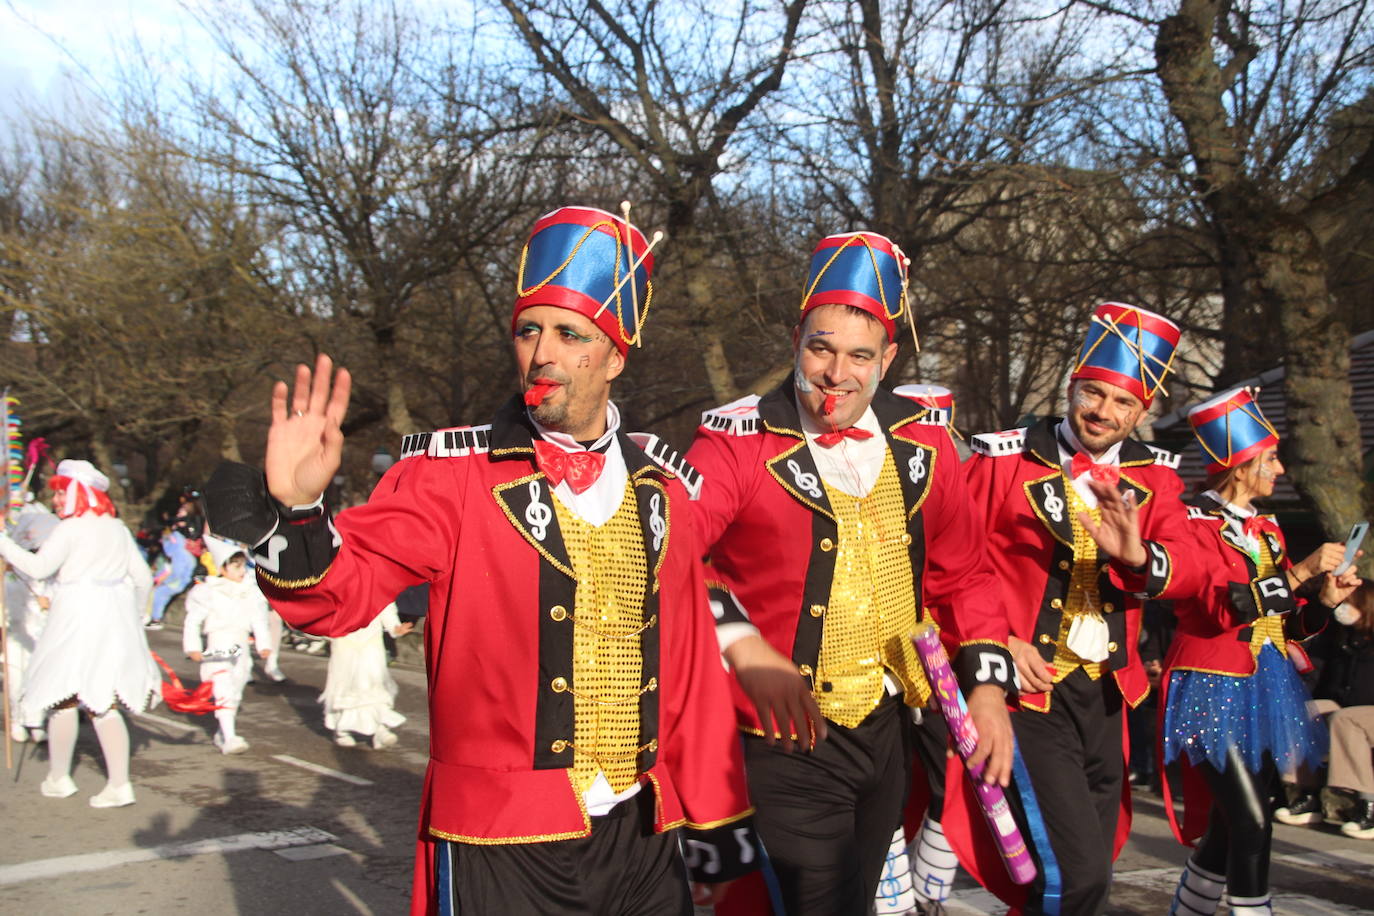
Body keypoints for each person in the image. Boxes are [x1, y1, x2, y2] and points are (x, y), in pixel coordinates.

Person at [203, 205, 756, 915]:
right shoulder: (451, 475)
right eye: (529, 330)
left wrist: (717, 822)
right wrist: (301, 516)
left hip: (644, 834)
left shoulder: (666, 488)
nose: (543, 353)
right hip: (503, 837)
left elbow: (687, 671)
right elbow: (336, 597)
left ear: (616, 355)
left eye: (570, 334)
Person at [684, 232, 1015, 915]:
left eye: (860, 355)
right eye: (821, 347)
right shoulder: (736, 441)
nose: (837, 373)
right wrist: (741, 643)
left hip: (887, 731)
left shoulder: (925, 444)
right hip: (782, 741)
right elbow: (665, 551)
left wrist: (987, 688)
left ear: (888, 357)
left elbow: (966, 577)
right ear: (795, 338)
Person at [955, 302, 1203, 915]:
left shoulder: (1158, 479)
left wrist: (1140, 555)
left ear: (1142, 411)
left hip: (1109, 697)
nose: (1103, 413)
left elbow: (1196, 567)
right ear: (1072, 386)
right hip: (1028, 694)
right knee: (1076, 875)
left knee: (1086, 866)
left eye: (1123, 404)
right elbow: (947, 564)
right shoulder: (1002, 460)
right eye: (1093, 393)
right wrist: (999, 645)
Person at [1162, 386, 1362, 915]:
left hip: (1264, 683)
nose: (1279, 470)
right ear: (1241, 464)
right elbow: (1223, 607)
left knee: (1237, 824)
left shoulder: (1267, 530)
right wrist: (1299, 571)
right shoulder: (1191, 523)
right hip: (1209, 682)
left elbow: (1288, 626)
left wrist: (1321, 597)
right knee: (1250, 820)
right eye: (1270, 459)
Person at [0, 459, 159, 807]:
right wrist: (133, 616)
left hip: (75, 616)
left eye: (61, 492)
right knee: (97, 698)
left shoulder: (70, 530)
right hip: (112, 618)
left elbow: (39, 568)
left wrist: (2, 541)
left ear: (80, 493)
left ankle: (69, 779)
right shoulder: (117, 528)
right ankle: (100, 781)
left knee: (67, 696)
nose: (56, 500)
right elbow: (144, 579)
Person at [182, 535, 274, 755]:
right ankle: (230, 735)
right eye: (236, 567)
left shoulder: (250, 590)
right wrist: (192, 646)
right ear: (222, 569)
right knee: (222, 685)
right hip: (219, 644)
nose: (241, 571)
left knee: (237, 685)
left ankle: (224, 730)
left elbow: (258, 619)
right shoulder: (209, 592)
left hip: (240, 644)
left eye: (242, 566)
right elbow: (193, 620)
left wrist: (263, 643)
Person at [320, 599, 413, 749]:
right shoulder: (337, 581)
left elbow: (386, 605)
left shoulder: (376, 582)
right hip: (345, 641)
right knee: (346, 685)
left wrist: (395, 627)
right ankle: (341, 729)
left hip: (371, 641)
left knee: (374, 682)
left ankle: (380, 729)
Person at [4, 495, 58, 743]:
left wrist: (49, 603)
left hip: (43, 636)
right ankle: (16, 718)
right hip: (17, 635)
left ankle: (36, 721)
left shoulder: (52, 574)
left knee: (41, 679)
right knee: (16, 680)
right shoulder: (9, 576)